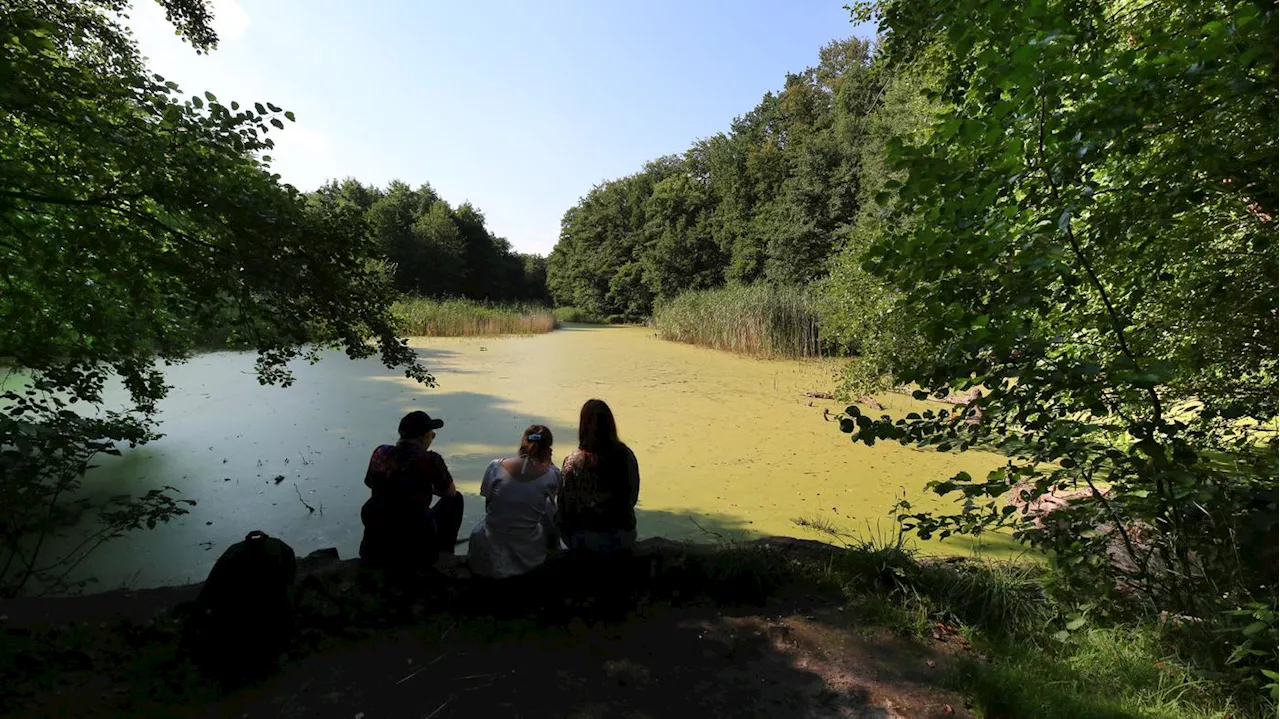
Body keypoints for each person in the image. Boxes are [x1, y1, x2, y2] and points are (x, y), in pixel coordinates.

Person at [358, 410, 463, 570]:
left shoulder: (381, 453)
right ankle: (445, 554)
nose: (432, 438)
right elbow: (450, 493)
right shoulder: (430, 460)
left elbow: (372, 483)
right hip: (417, 553)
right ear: (422, 438)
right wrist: (426, 486)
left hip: (375, 548)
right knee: (456, 500)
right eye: (432, 435)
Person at [466, 425, 561, 579]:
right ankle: (556, 553)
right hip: (527, 555)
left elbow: (489, 504)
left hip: (487, 552)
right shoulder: (551, 475)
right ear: (548, 449)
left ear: (522, 443)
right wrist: (548, 463)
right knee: (549, 506)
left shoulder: (495, 467)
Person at [556, 399, 640, 554]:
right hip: (622, 536)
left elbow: (564, 507)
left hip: (585, 540)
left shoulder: (573, 462)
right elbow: (632, 497)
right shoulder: (626, 456)